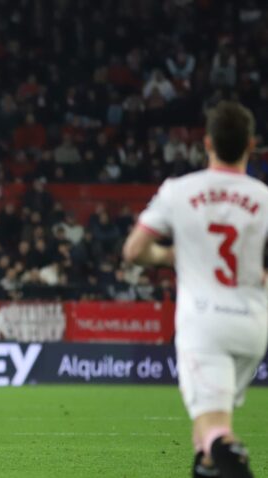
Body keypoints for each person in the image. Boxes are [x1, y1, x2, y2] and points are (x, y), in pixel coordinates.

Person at [123, 101, 265, 478]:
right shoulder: (264, 198)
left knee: (217, 434)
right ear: (251, 145)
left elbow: (134, 251)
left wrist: (169, 255)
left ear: (207, 143)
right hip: (253, 327)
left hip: (204, 326)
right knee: (204, 440)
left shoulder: (179, 191)